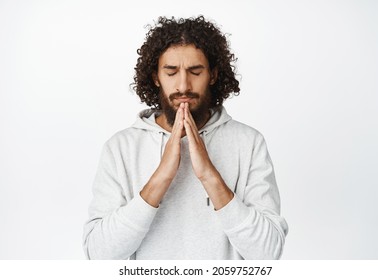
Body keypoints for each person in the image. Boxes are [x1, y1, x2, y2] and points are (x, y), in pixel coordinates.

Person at [83, 15, 288, 260]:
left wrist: (209, 175)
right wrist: (162, 175)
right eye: (171, 72)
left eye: (195, 71)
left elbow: (268, 254)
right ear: (155, 77)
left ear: (212, 75)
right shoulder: (120, 148)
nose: (183, 85)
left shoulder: (249, 143)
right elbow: (98, 254)